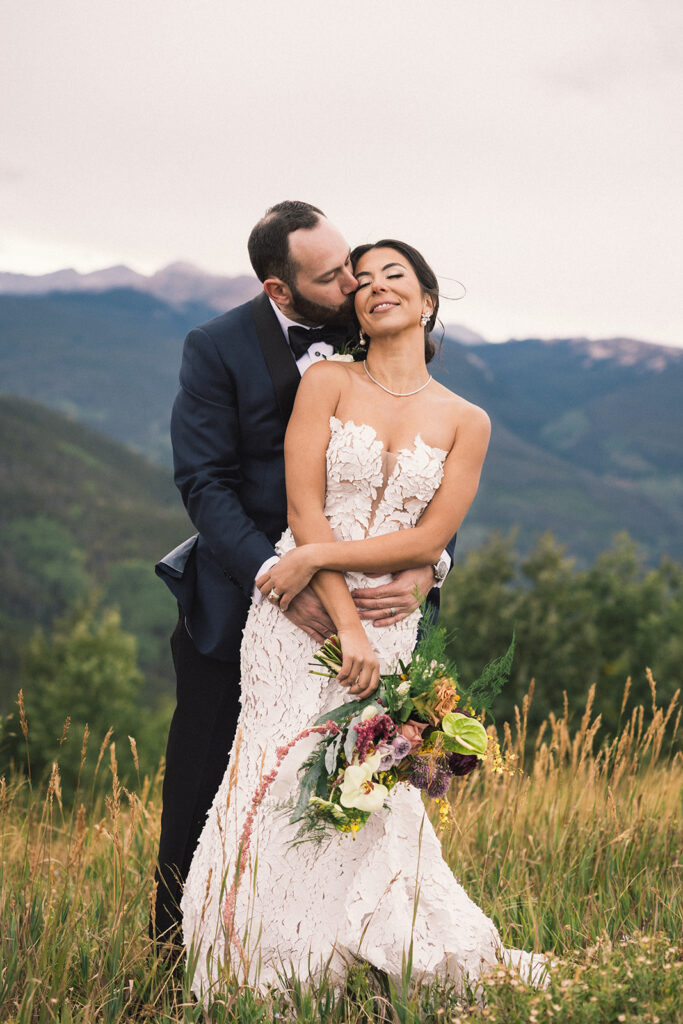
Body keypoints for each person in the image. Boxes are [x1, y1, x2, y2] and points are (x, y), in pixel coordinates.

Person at [181, 238, 544, 998]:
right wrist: (338, 615)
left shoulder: (465, 419)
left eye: (396, 275)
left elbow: (429, 536)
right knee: (269, 778)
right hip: (294, 619)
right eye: (365, 279)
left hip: (390, 617)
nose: (377, 287)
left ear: (427, 300)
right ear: (354, 306)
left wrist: (340, 571)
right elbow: (304, 508)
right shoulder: (327, 383)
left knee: (366, 789)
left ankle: (358, 967)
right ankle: (254, 969)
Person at [153, 203, 455, 941]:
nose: (354, 281)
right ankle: (171, 958)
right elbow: (204, 482)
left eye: (352, 262)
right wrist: (278, 577)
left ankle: (340, 952)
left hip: (375, 604)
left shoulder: (374, 316)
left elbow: (426, 460)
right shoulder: (216, 347)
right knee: (205, 789)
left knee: (360, 788)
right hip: (242, 600)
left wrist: (432, 564)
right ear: (279, 291)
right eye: (332, 275)